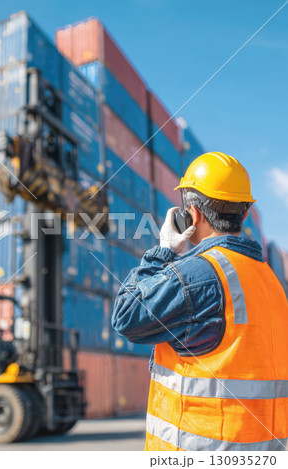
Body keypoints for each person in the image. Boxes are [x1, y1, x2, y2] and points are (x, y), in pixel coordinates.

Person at [111, 152, 288, 451]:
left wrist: (164, 249)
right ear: (244, 215)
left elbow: (126, 317)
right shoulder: (272, 283)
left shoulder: (197, 276)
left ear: (191, 215)